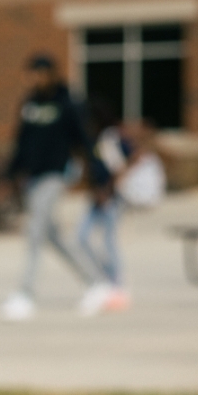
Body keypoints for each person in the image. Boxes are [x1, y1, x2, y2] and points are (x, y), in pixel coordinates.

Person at [0, 53, 112, 320]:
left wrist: (100, 177)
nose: (34, 79)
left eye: (39, 73)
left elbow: (85, 140)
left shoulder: (67, 102)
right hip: (33, 177)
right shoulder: (30, 104)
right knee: (52, 235)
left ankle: (25, 295)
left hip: (55, 174)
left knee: (35, 230)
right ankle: (97, 283)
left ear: (50, 73)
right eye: (30, 73)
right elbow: (21, 143)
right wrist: (8, 177)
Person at [76, 97, 134, 312]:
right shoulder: (93, 139)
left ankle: (117, 285)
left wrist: (107, 190)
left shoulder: (109, 137)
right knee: (81, 237)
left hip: (110, 197)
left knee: (109, 241)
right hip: (96, 197)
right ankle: (104, 278)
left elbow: (120, 166)